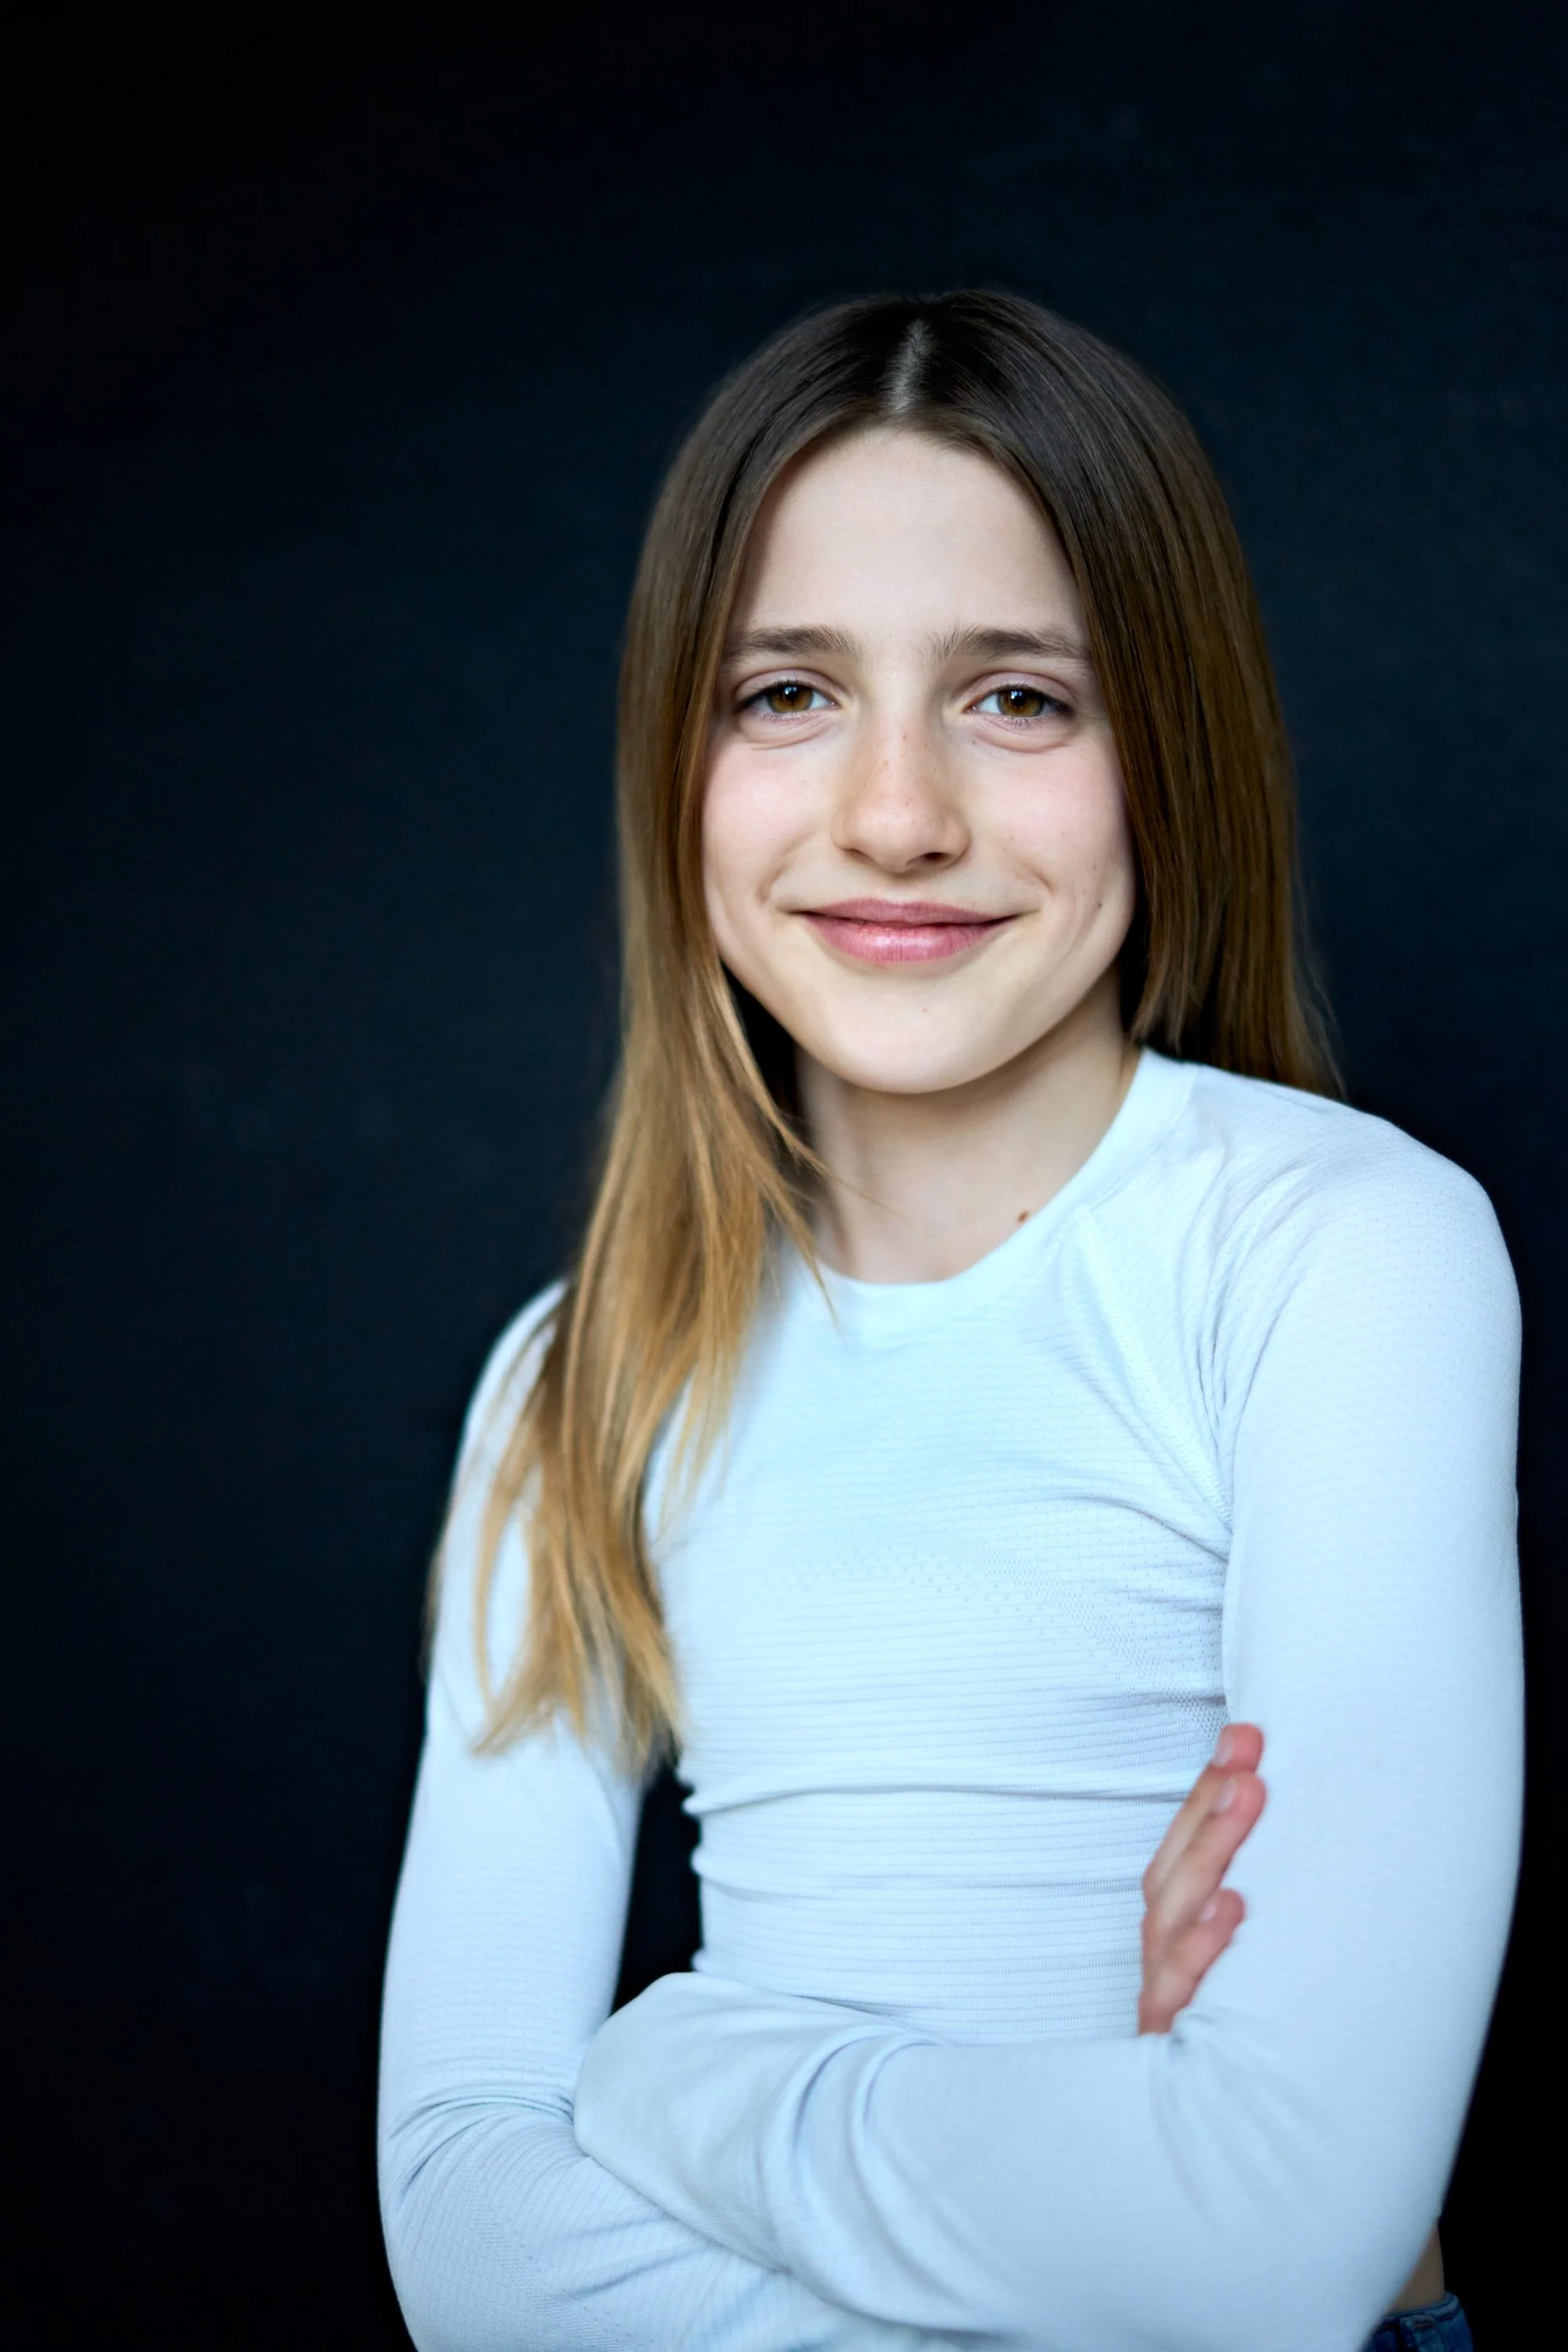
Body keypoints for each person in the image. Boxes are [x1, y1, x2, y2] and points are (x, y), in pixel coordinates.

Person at [377, 292, 1521, 2351]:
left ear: (1167, 752)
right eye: (789, 693)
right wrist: (1129, 2187)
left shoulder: (1337, 1256)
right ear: (676, 762)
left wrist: (676, 2074)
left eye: (1017, 700)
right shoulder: (581, 1382)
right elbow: (467, 2230)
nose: (894, 814)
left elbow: (1283, 2246)